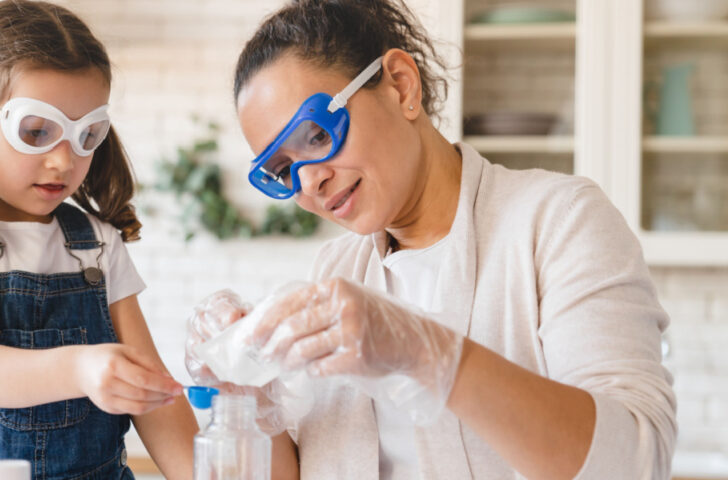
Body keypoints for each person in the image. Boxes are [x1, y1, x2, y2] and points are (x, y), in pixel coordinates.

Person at [186, 0, 676, 478]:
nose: (309, 181)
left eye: (316, 135)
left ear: (401, 85)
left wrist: (431, 353)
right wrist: (250, 405)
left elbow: (632, 462)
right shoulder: (336, 269)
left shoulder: (559, 222)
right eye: (282, 170)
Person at [0, 2, 197, 478]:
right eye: (36, 132)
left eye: (87, 135)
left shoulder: (97, 244)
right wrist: (82, 369)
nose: (63, 162)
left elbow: (154, 398)